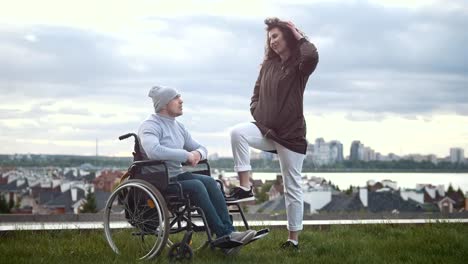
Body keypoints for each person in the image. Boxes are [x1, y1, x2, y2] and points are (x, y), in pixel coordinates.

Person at [229, 17, 319, 250]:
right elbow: (255, 94)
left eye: (276, 36)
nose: (272, 41)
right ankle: (245, 186)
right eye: (270, 38)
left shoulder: (300, 65)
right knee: (238, 132)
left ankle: (293, 240)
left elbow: (311, 56)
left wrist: (298, 33)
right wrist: (257, 111)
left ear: (288, 36)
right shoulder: (268, 65)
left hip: (290, 135)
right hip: (267, 130)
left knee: (292, 187)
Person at [138, 85, 256, 255]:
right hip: (158, 181)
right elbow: (153, 151)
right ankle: (224, 236)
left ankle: (229, 232)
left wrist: (197, 154)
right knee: (197, 186)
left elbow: (201, 148)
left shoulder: (179, 127)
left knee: (211, 182)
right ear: (164, 104)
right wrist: (186, 155)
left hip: (176, 176)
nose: (181, 100)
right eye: (176, 98)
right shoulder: (150, 125)